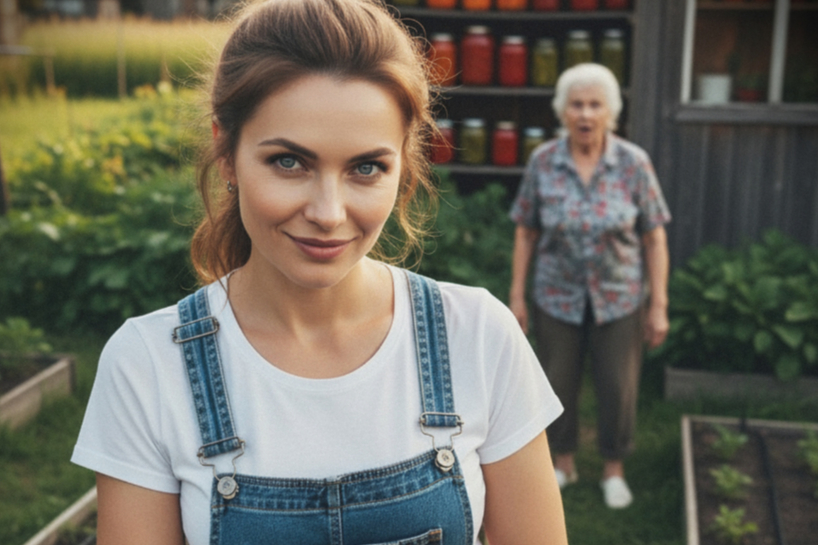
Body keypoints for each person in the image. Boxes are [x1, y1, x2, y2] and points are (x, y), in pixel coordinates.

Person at [71, 1, 569, 543]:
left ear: (403, 165)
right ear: (227, 152)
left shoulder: (476, 335)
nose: (328, 214)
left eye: (366, 168)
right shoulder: (147, 365)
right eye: (289, 162)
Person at [508, 63, 671, 510]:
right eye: (576, 104)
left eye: (594, 104)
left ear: (609, 112)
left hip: (618, 298)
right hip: (555, 297)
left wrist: (659, 304)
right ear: (563, 111)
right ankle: (563, 464)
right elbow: (525, 231)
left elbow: (654, 236)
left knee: (618, 386)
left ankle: (614, 469)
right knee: (556, 383)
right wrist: (517, 297)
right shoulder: (544, 161)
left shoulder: (633, 163)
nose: (585, 113)